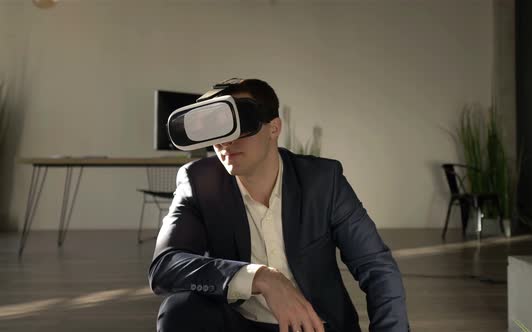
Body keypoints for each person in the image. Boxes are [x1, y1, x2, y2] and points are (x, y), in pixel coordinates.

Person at [149, 78, 409, 332]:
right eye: (217, 129)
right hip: (237, 322)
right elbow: (166, 266)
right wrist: (260, 277)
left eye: (241, 125)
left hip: (315, 325)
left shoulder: (322, 181)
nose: (225, 142)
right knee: (179, 310)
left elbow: (377, 268)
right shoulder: (199, 181)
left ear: (274, 128)